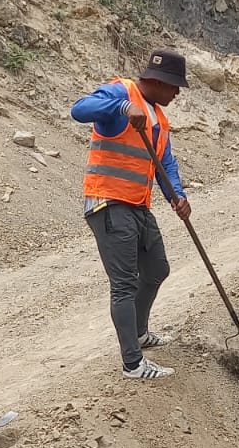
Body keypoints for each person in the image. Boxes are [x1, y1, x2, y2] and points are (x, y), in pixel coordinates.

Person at [71, 50, 191, 381]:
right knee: (124, 284)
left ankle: (139, 333)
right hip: (108, 202)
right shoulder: (122, 92)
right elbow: (79, 109)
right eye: (175, 87)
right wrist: (123, 108)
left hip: (137, 204)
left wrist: (177, 196)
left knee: (157, 269)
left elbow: (165, 163)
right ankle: (133, 364)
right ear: (159, 81)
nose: (177, 93)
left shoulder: (159, 120)